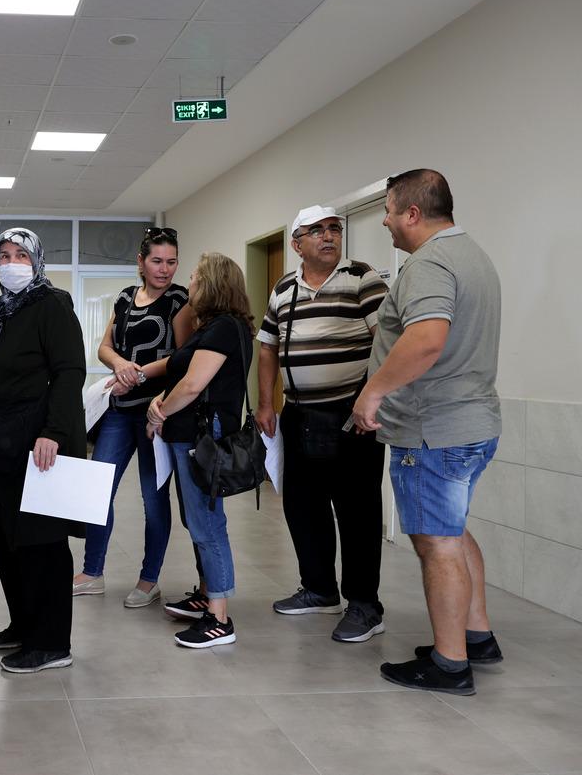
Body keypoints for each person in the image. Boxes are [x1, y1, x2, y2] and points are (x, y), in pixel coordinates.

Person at [353, 169, 503, 696]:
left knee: (437, 543)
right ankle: (476, 636)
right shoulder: (473, 256)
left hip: (433, 431)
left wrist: (372, 392)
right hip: (472, 423)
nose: (388, 222)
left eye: (390, 210)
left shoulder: (428, 263)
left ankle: (450, 662)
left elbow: (426, 340)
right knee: (454, 530)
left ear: (413, 213)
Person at [256, 206, 389, 643]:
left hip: (352, 416)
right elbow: (268, 348)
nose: (329, 236)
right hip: (299, 414)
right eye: (317, 231)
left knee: (357, 511)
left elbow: (387, 341)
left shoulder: (362, 279)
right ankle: (318, 588)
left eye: (334, 229)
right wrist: (265, 404)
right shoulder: (283, 289)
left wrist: (372, 398)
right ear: (297, 243)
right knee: (303, 506)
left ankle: (365, 605)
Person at [0, 228, 86, 674]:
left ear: (37, 262)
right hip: (0, 443)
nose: (10, 263)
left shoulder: (52, 304)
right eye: (4, 255)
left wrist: (54, 431)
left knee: (41, 542)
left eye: (20, 255)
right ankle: (24, 623)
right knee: (5, 538)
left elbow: (70, 371)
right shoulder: (4, 309)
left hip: (38, 444)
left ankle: (51, 642)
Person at [73, 227, 198, 608]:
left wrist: (140, 374)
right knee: (98, 493)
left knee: (153, 498)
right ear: (141, 262)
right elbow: (103, 347)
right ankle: (92, 572)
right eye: (157, 261)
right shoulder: (126, 298)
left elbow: (182, 358)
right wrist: (123, 365)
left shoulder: (181, 301)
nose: (165, 269)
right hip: (117, 410)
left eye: (172, 261)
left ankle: (149, 579)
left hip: (155, 414)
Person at [147, 252, 254, 649]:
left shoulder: (225, 328)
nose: (187, 283)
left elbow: (193, 386)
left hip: (200, 438)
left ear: (210, 284)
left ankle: (219, 618)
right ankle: (208, 593)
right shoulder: (210, 327)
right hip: (187, 435)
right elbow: (184, 376)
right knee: (196, 520)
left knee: (208, 525)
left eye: (193, 277)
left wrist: (158, 413)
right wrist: (160, 401)